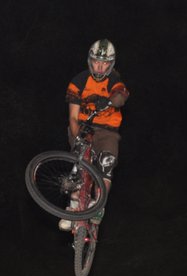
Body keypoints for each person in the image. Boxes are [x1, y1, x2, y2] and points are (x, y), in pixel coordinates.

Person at [59, 39, 129, 231]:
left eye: (104, 63)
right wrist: (77, 138)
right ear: (90, 61)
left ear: (110, 64)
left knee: (106, 162)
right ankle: (73, 206)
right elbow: (73, 117)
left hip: (107, 131)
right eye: (96, 62)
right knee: (80, 161)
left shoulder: (113, 80)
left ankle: (98, 204)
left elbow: (121, 95)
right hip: (84, 127)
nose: (100, 67)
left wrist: (111, 100)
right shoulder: (79, 81)